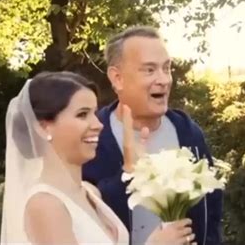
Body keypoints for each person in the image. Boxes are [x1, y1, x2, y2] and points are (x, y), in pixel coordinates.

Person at [0, 71, 194, 245]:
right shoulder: (45, 205)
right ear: (43, 128)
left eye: (94, 113)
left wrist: (132, 167)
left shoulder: (89, 192)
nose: (98, 124)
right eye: (82, 114)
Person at [83, 26, 223, 245]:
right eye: (149, 70)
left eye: (166, 68)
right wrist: (127, 173)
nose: (164, 80)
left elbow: (211, 210)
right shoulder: (93, 138)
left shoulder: (188, 132)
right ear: (117, 77)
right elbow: (81, 222)